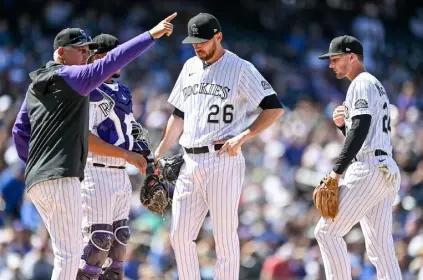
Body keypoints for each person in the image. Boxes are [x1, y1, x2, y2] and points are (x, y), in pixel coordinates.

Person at [11, 12, 177, 280]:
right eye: (81, 50)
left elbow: (20, 130)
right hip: (67, 174)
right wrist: (151, 35)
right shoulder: (72, 78)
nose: (86, 56)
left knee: (89, 248)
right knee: (74, 252)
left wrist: (35, 166)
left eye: (89, 50)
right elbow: (110, 62)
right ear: (61, 53)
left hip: (42, 178)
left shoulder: (36, 84)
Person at [154, 13, 284, 280]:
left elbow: (273, 107)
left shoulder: (240, 68)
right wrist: (159, 153)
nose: (197, 46)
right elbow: (178, 115)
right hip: (189, 161)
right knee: (179, 235)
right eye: (193, 43)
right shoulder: (189, 66)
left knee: (224, 236)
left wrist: (244, 136)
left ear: (218, 37)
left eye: (202, 41)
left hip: (222, 158)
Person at [314, 35, 402, 280]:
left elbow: (362, 128)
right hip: (384, 170)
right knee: (381, 250)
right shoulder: (374, 85)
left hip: (369, 168)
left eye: (335, 59)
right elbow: (364, 129)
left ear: (351, 57)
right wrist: (344, 126)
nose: (331, 65)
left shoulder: (361, 83)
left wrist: (337, 171)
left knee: (326, 232)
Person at [76, 34, 154, 280]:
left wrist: (148, 158)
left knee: (119, 245)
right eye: (116, 56)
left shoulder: (123, 92)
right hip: (95, 171)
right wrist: (127, 154)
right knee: (97, 243)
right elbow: (86, 140)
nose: (122, 61)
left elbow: (131, 128)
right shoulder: (85, 87)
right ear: (99, 57)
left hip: (120, 172)